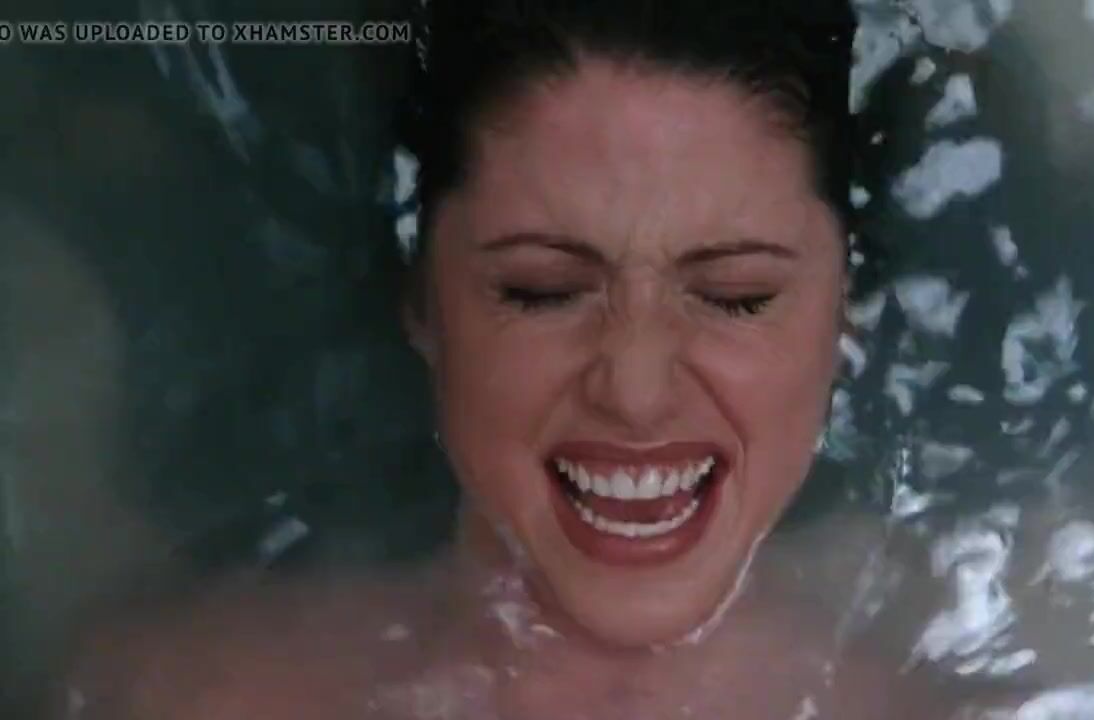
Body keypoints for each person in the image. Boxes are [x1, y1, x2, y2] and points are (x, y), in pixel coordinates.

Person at [58, 1, 950, 717]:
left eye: (735, 295)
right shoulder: (166, 695)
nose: (635, 392)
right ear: (422, 299)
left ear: (846, 312)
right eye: (541, 289)